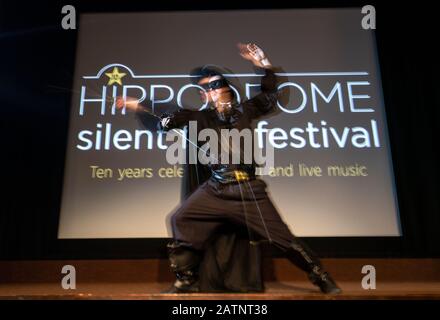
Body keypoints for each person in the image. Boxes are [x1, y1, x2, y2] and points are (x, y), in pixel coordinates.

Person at [117, 43, 341, 294]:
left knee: (283, 237)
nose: (208, 92)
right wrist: (140, 106)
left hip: (248, 191)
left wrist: (262, 64)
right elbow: (170, 115)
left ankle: (321, 277)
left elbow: (269, 97)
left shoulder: (246, 110)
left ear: (228, 89)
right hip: (216, 190)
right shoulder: (200, 118)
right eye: (204, 89)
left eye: (214, 85)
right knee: (181, 218)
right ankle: (187, 279)